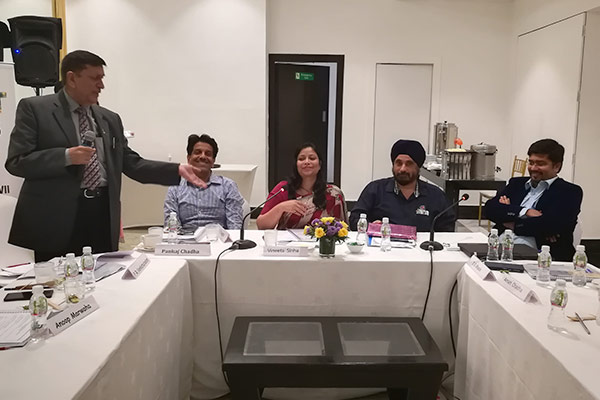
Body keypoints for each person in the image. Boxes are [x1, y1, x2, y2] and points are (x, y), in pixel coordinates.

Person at [5, 50, 206, 262]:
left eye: (102, 78)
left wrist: (176, 170)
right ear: (72, 78)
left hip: (101, 213)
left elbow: (131, 163)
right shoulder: (35, 109)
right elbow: (17, 162)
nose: (101, 85)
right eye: (95, 78)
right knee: (59, 279)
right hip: (56, 219)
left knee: (104, 275)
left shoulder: (109, 118)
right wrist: (65, 157)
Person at [485, 139, 582, 261]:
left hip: (542, 257)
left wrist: (509, 221)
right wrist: (525, 212)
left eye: (540, 164)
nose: (533, 168)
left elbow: (552, 225)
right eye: (531, 163)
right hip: (497, 250)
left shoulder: (569, 191)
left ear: (556, 166)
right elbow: (489, 209)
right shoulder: (516, 184)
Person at [350, 139, 455, 231]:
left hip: (421, 247)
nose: (402, 169)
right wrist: (371, 227)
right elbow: (354, 219)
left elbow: (447, 229)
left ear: (418, 167)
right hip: (383, 245)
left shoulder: (436, 195)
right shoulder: (375, 189)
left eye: (409, 164)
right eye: (399, 163)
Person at [257, 143, 347, 230]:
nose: (307, 162)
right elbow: (261, 225)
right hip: (288, 240)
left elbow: (341, 231)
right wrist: (281, 208)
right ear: (296, 165)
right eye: (301, 159)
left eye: (312, 158)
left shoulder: (333, 194)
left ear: (320, 165)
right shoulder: (283, 189)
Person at [164, 134, 243, 231]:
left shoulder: (228, 186)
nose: (202, 156)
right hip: (186, 238)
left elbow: (235, 227)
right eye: (197, 152)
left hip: (218, 238)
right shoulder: (175, 187)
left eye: (208, 154)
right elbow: (171, 225)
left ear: (213, 161)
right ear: (188, 158)